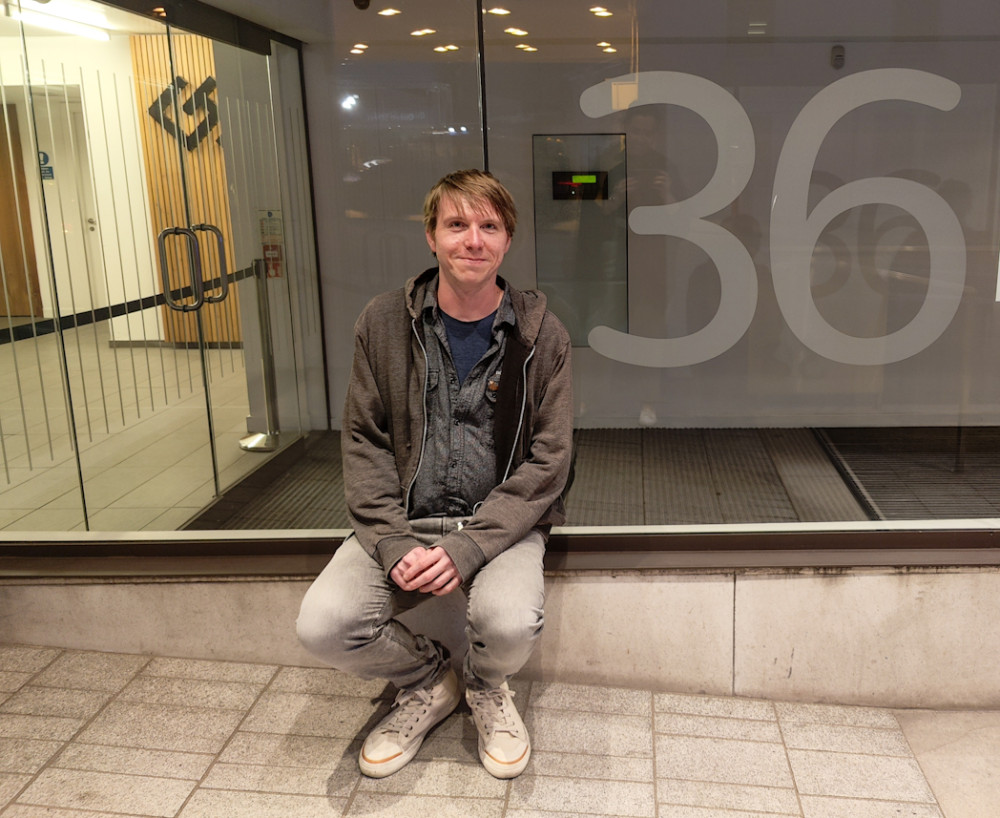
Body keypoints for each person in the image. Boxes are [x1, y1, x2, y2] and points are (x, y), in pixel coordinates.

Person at [296, 169, 574, 780]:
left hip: (499, 528)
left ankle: (484, 686)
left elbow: (550, 460)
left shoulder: (540, 334)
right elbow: (364, 442)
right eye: (456, 224)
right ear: (431, 236)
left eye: (489, 226)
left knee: (507, 624)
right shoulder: (383, 323)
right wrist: (391, 539)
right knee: (324, 626)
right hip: (403, 519)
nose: (472, 240)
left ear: (506, 242)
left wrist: (472, 543)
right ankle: (427, 679)